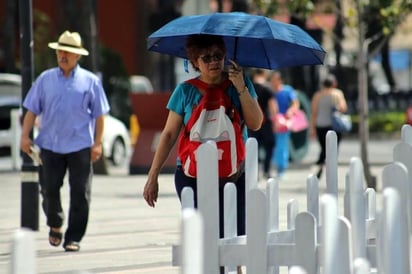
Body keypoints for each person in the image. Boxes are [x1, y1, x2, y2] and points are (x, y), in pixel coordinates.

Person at [142, 34, 263, 274]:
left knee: (235, 236)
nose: (213, 62)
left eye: (218, 55)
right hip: (191, 175)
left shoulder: (240, 84)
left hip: (235, 175)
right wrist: (152, 175)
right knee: (205, 236)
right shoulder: (185, 91)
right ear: (195, 62)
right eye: (206, 58)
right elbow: (168, 135)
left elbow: (256, 122)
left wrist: (240, 88)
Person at [20, 30, 110, 252]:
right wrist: (24, 135)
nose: (63, 54)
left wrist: (97, 143)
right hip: (49, 145)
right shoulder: (45, 79)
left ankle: (73, 237)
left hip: (80, 145)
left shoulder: (90, 81)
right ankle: (55, 223)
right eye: (60, 50)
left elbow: (100, 115)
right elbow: (31, 109)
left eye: (68, 51)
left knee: (80, 192)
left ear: (77, 55)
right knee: (49, 189)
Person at [309, 73, 348, 178]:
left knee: (323, 148)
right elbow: (343, 108)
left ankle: (320, 165)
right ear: (334, 83)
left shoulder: (317, 95)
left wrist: (312, 128)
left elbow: (314, 112)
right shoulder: (337, 94)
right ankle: (330, 167)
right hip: (334, 125)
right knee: (333, 148)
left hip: (320, 125)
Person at [247, 68, 278, 179]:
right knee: (269, 146)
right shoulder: (268, 88)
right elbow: (273, 107)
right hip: (266, 122)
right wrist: (276, 122)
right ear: (264, 73)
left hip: (252, 122)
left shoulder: (249, 88)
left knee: (253, 147)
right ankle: (266, 170)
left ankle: (255, 171)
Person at [269, 71, 300, 179]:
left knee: (282, 145)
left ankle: (281, 168)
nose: (273, 82)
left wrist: (290, 111)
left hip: (283, 123)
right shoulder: (269, 90)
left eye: (275, 80)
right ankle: (270, 167)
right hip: (271, 122)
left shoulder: (287, 90)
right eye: (272, 80)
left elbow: (295, 104)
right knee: (271, 146)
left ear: (280, 80)